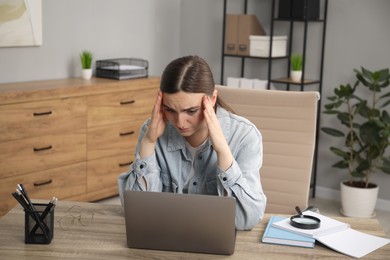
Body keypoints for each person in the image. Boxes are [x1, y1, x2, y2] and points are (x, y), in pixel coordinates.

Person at [118, 55, 266, 230]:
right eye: (170, 110)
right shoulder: (152, 131)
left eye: (191, 111)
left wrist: (223, 152)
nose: (180, 122)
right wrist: (148, 142)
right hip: (166, 241)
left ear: (211, 100)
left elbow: (245, 220)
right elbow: (136, 211)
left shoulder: (244, 135)